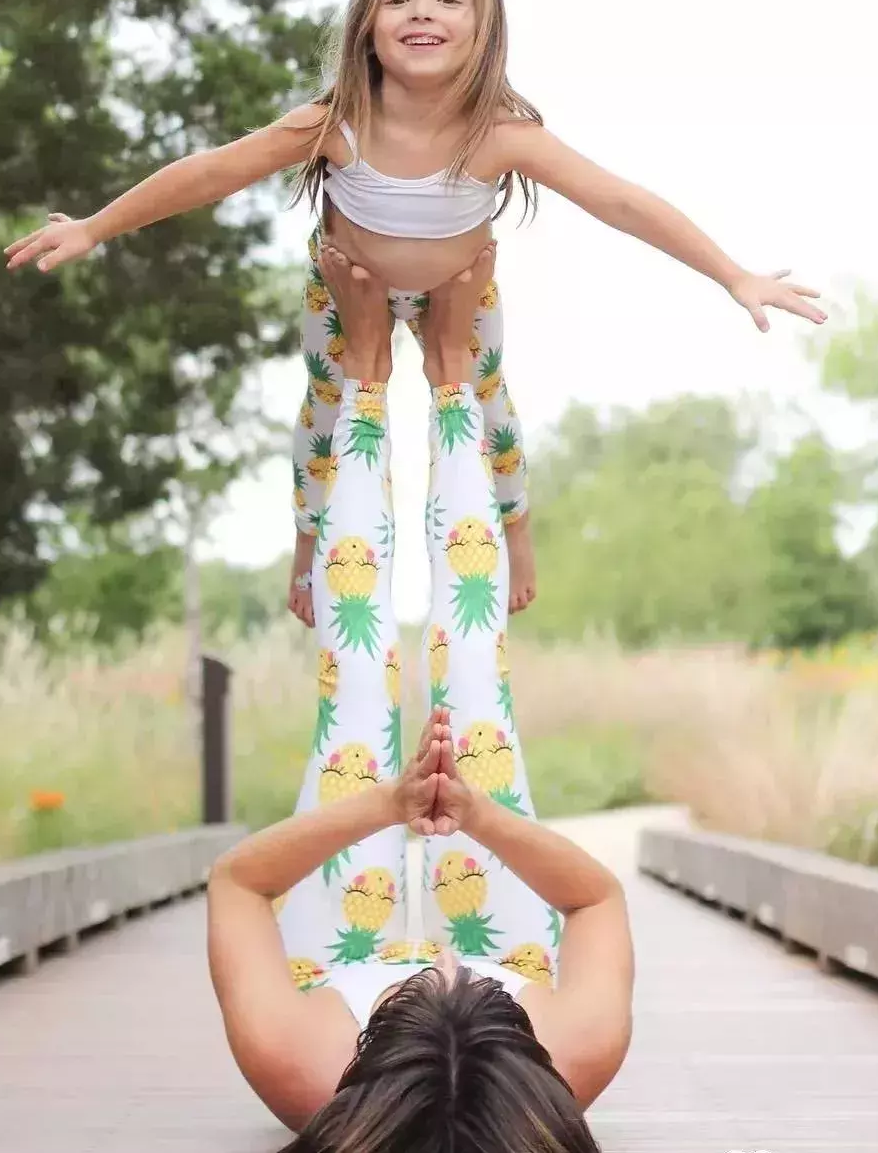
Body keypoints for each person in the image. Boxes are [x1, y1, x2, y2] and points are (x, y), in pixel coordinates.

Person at [3, 0, 826, 637]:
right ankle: (305, 546)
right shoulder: (334, 125)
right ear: (367, 23)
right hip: (345, 286)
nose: (421, 13)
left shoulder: (502, 138)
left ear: (484, 29)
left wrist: (733, 275)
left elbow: (619, 199)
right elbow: (213, 172)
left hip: (456, 292)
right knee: (322, 414)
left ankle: (518, 533)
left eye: (446, 0)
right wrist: (95, 228)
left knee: (492, 409)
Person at [203, 256, 631, 1149]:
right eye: (451, 981)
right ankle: (451, 381)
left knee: (357, 681)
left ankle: (365, 376)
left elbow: (238, 884)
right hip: (511, 940)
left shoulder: (303, 1064)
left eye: (419, 989)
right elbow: (596, 904)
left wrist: (385, 806)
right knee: (473, 671)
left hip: (337, 960)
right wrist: (472, 812)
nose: (435, 960)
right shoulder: (568, 1056)